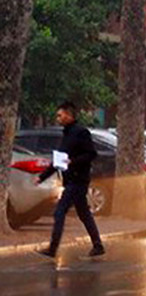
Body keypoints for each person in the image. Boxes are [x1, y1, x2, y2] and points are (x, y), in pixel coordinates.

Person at [36, 102, 104, 258]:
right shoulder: (66, 134)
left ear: (68, 115)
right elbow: (59, 161)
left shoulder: (81, 133)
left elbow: (91, 154)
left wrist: (73, 161)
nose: (58, 118)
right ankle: (98, 245)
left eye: (60, 115)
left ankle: (53, 248)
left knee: (60, 211)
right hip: (71, 180)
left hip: (78, 180)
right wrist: (42, 177)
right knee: (84, 214)